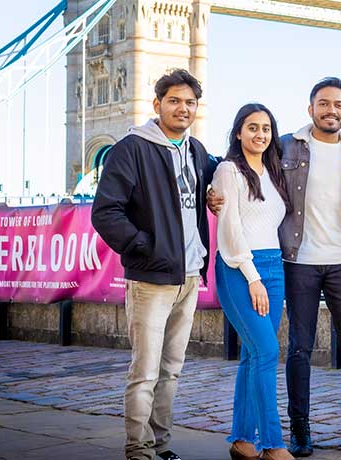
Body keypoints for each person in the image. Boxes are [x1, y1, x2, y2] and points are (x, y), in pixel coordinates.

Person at [208, 77, 341, 456]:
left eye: (338, 104)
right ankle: (295, 431)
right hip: (296, 262)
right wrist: (211, 191)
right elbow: (224, 170)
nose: (330, 110)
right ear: (310, 108)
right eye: (323, 103)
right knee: (296, 349)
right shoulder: (285, 147)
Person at [91, 69, 219, 460]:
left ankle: (162, 446)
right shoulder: (131, 149)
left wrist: (215, 198)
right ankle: (139, 449)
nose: (183, 108)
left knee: (172, 370)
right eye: (175, 101)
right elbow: (105, 212)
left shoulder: (197, 151)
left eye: (190, 102)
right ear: (157, 105)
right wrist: (145, 246)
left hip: (189, 274)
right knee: (145, 371)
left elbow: (229, 180)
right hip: (150, 278)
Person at [211, 104, 294, 460]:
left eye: (266, 128)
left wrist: (267, 274)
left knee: (252, 354)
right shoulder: (228, 171)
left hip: (274, 266)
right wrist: (253, 277)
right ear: (238, 133)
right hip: (239, 267)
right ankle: (272, 444)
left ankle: (243, 440)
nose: (260, 134)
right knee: (267, 351)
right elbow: (229, 230)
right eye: (252, 127)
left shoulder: (274, 171)